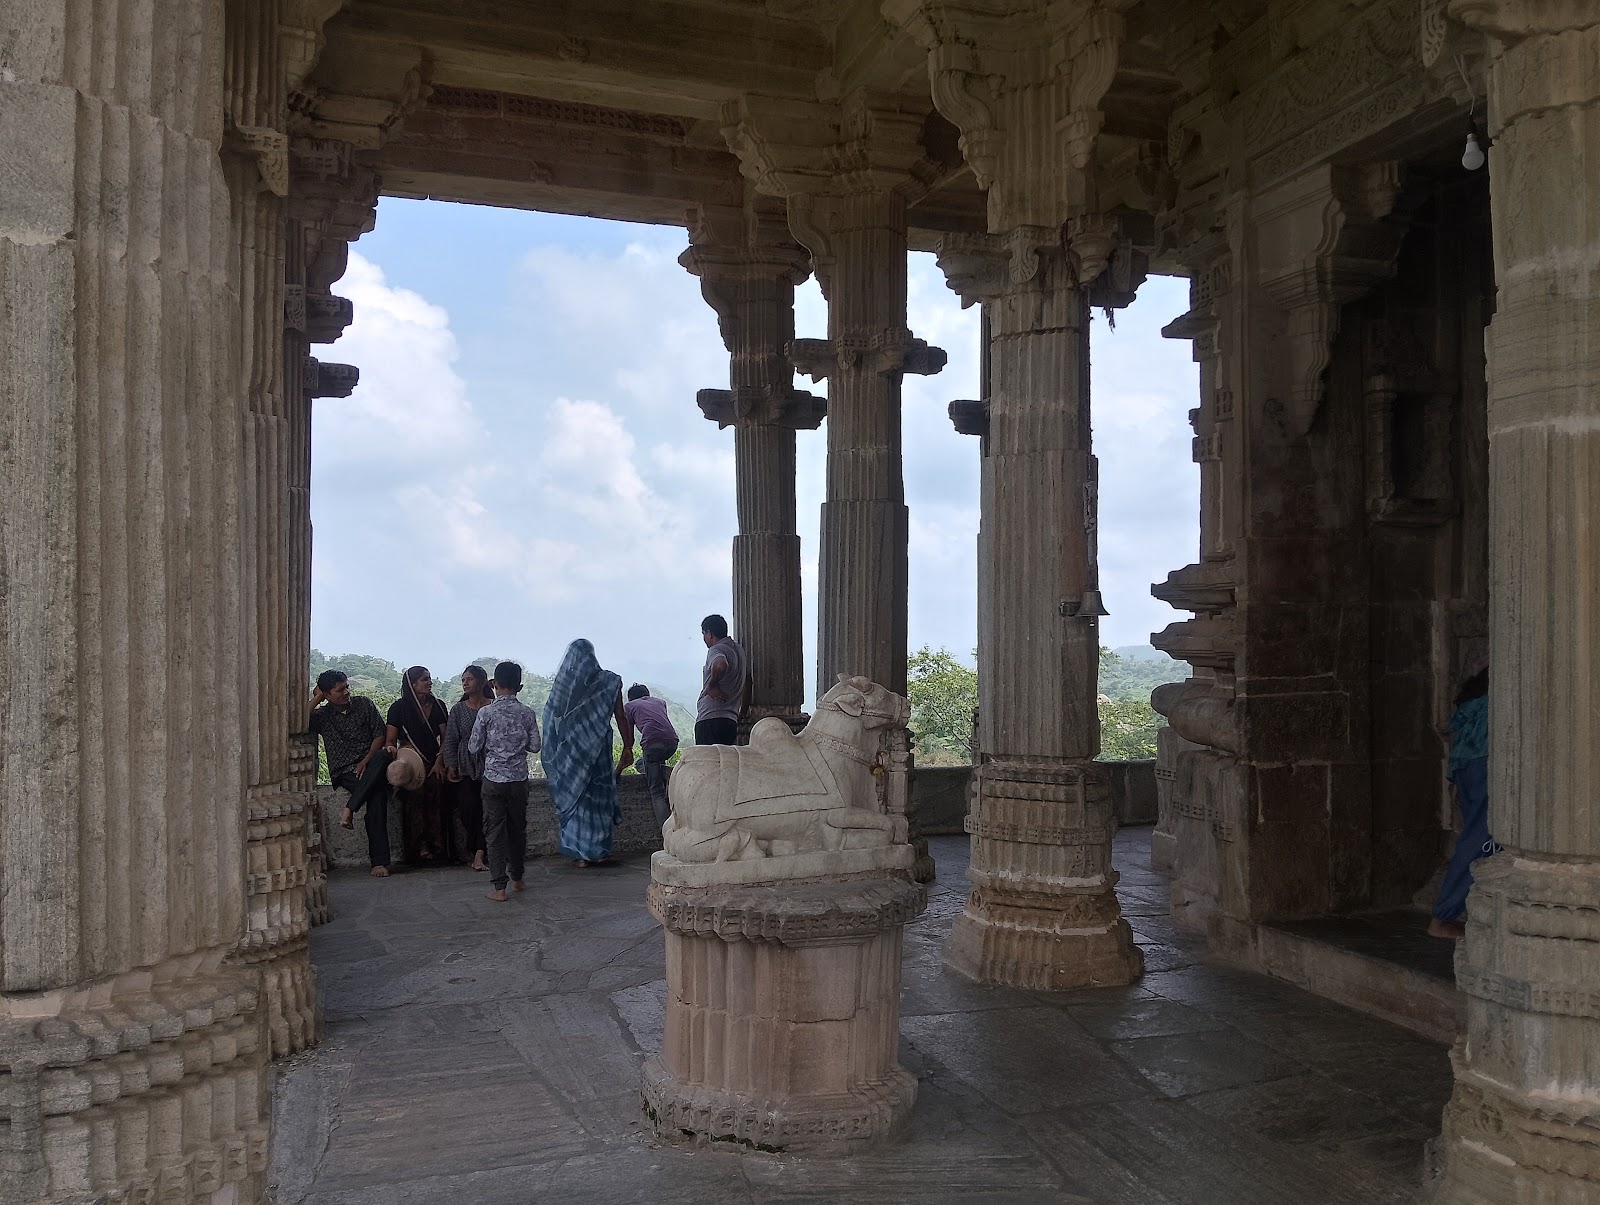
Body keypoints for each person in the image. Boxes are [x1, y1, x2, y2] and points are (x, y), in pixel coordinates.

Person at [542, 639, 634, 868]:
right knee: (598, 798)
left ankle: (580, 853)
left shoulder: (567, 684)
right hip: (599, 748)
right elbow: (621, 717)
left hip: (572, 752)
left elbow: (551, 715)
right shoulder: (610, 681)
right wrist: (628, 745)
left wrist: (555, 746)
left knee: (578, 797)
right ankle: (599, 851)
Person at [1429, 664, 1494, 939]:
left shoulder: (1477, 697)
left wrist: (1454, 779)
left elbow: (1462, 742)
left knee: (1483, 842)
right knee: (1482, 840)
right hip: (1485, 767)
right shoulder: (1497, 697)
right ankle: (1442, 917)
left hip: (1469, 769)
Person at [469, 661, 543, 902]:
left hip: (492, 779)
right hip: (519, 779)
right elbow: (535, 746)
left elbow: (473, 746)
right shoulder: (528, 713)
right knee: (517, 830)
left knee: (494, 832)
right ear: (520, 686)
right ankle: (518, 878)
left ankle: (499, 887)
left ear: (494, 684)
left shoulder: (485, 713)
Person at [309, 670, 393, 877]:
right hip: (345, 770)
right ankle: (379, 862)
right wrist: (317, 698)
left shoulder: (364, 704)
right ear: (328, 695)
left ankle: (349, 808)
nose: (346, 692)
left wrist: (366, 760)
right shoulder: (323, 716)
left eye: (346, 687)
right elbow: (297, 721)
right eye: (340, 690)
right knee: (377, 794)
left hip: (370, 763)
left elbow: (379, 735)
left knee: (382, 757)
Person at [383, 666, 453, 865]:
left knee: (438, 792)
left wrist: (440, 762)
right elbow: (390, 739)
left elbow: (445, 738)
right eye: (424, 679)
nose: (429, 682)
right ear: (412, 684)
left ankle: (439, 849)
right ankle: (418, 849)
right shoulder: (398, 709)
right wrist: (394, 752)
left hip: (434, 761)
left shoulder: (438, 706)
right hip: (411, 763)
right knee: (415, 797)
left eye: (429, 679)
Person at [442, 664, 494, 872]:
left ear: (481, 682)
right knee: (468, 808)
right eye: (463, 680)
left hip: (490, 764)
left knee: (488, 809)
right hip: (466, 765)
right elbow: (451, 739)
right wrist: (451, 764)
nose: (465, 683)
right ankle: (478, 850)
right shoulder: (458, 710)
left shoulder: (493, 707)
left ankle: (479, 853)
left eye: (469, 679)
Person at [623, 684, 679, 829]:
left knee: (656, 792)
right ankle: (664, 777)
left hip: (652, 744)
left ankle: (667, 833)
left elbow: (630, 739)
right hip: (673, 742)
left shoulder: (629, 706)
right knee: (643, 763)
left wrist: (627, 749)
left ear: (631, 698)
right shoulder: (660, 702)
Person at [695, 613, 748, 746]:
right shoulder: (739, 651)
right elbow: (748, 681)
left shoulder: (716, 649)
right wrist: (743, 711)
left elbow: (720, 665)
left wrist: (711, 685)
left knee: (707, 764)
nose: (704, 638)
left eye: (703, 634)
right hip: (729, 721)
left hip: (710, 720)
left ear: (709, 633)